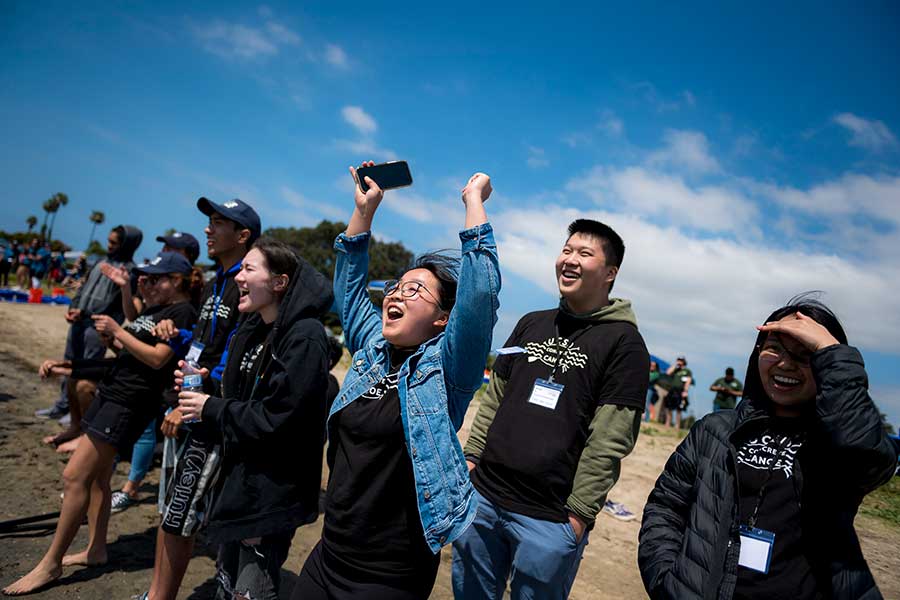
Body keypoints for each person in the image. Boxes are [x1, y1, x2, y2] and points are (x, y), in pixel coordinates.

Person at [291, 163, 500, 599]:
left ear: (443, 319)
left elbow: (478, 297)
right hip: (330, 552)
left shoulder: (448, 370)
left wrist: (474, 202)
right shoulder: (371, 352)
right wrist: (364, 211)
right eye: (394, 288)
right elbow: (349, 288)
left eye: (414, 291)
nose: (396, 295)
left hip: (390, 572)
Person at [638, 296, 897, 600]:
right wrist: (670, 583)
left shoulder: (835, 445)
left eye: (805, 354)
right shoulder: (715, 430)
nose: (786, 364)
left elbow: (873, 459)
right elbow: (666, 507)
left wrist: (832, 352)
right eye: (775, 349)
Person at [453, 219, 649, 600]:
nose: (569, 260)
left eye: (584, 253)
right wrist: (471, 461)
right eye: (566, 250)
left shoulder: (625, 344)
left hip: (549, 518)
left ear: (610, 273)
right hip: (484, 497)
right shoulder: (531, 324)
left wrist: (577, 517)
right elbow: (493, 398)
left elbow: (609, 439)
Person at [2, 252, 197, 596]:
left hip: (127, 403)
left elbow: (156, 360)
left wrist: (118, 330)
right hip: (111, 393)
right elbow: (133, 339)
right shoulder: (153, 310)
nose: (145, 285)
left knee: (74, 476)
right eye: (143, 280)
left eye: (153, 280)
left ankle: (50, 564)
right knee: (98, 480)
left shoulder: (180, 312)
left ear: (175, 282)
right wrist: (74, 363)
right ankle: (95, 550)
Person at [176, 237, 333, 600]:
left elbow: (280, 416)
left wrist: (210, 408)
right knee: (226, 580)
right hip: (240, 482)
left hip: (272, 491)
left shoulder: (305, 337)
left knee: (251, 588)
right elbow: (242, 399)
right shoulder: (254, 328)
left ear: (280, 282)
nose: (238, 278)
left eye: (249, 269)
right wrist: (201, 387)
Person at [146, 196, 260, 600]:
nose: (208, 230)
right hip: (190, 407)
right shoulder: (215, 282)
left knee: (180, 516)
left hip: (208, 416)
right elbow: (204, 345)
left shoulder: (248, 287)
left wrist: (189, 400)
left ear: (243, 235)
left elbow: (232, 358)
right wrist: (176, 338)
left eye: (217, 223)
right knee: (170, 513)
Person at [35, 227, 143, 424]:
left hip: (98, 329)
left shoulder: (128, 271)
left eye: (114, 243)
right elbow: (84, 287)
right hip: (78, 322)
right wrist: (74, 307)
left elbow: (115, 303)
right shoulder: (101, 262)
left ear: (126, 245)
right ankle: (61, 405)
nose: (109, 246)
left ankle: (75, 412)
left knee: (86, 368)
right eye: (109, 241)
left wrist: (86, 313)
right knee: (69, 362)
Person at [663, 356, 692, 429]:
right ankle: (667, 423)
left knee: (679, 409)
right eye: (678, 360)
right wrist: (675, 365)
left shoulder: (687, 371)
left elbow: (688, 381)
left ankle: (677, 425)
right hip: (672, 390)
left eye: (681, 360)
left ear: (684, 361)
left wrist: (685, 391)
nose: (679, 361)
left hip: (681, 391)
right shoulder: (675, 369)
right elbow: (668, 372)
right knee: (669, 407)